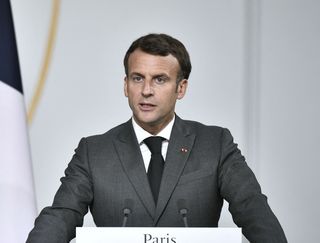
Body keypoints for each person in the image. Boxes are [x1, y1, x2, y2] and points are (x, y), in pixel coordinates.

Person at [26, 33, 287, 242]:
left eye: (160, 80)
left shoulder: (215, 144)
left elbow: (252, 209)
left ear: (180, 88)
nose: (146, 91)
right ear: (125, 85)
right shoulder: (94, 152)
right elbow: (61, 216)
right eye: (137, 78)